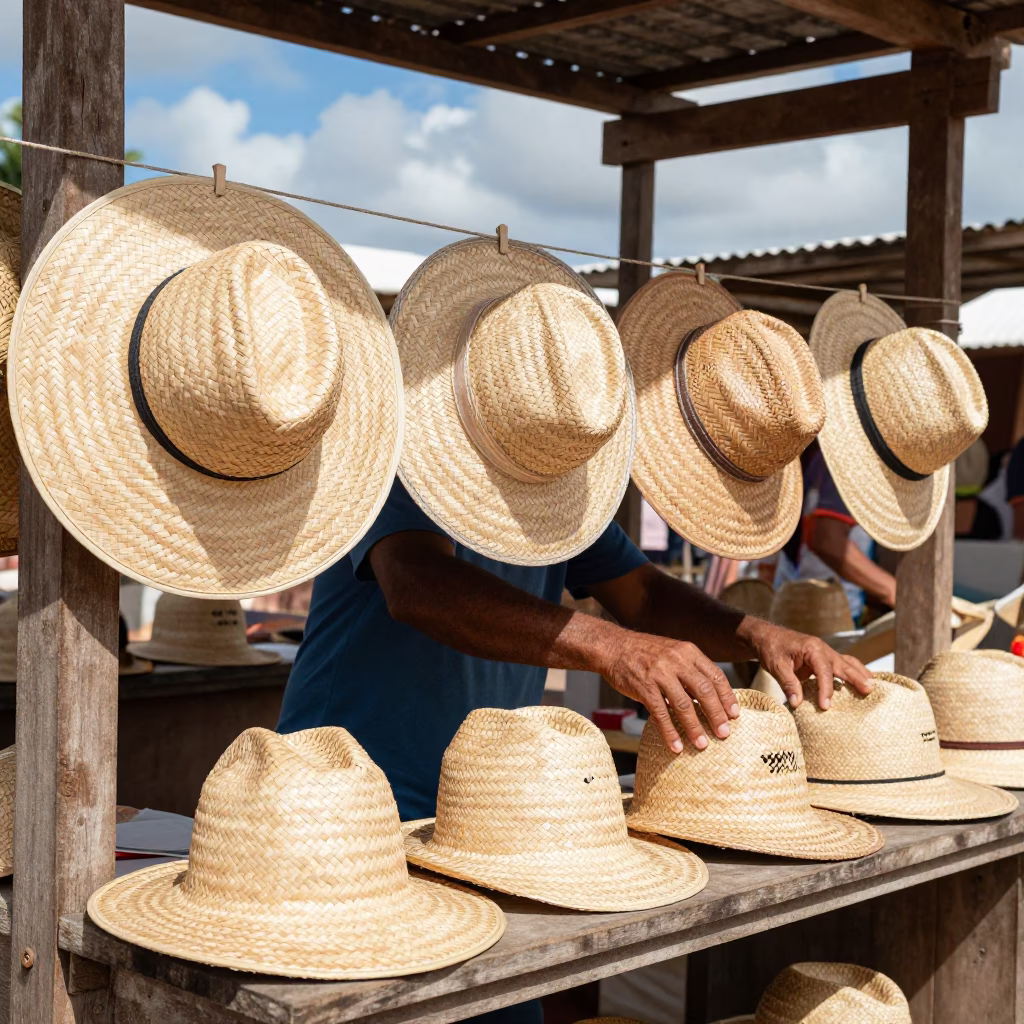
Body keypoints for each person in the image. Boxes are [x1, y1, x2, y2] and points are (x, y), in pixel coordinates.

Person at [797, 445, 896, 623]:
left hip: (819, 606)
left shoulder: (828, 456)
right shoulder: (852, 459)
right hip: (825, 615)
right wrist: (893, 591)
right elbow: (827, 539)